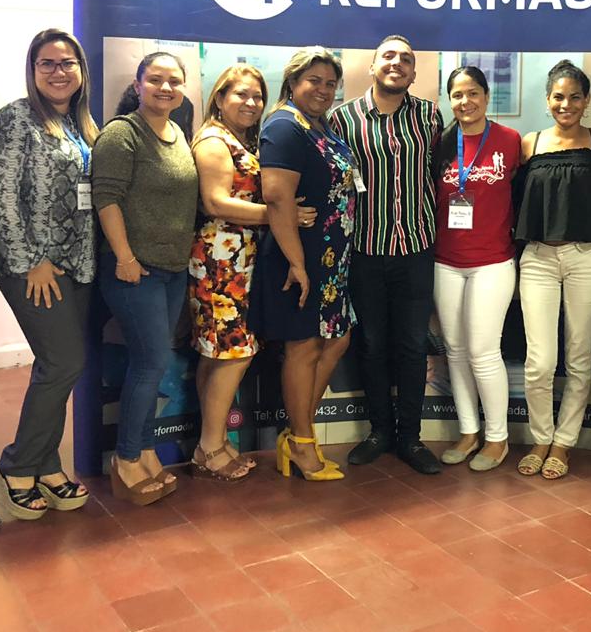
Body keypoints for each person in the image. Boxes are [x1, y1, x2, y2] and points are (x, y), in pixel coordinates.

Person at [0, 29, 97, 519]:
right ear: (32, 70)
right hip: (34, 268)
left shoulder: (79, 125)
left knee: (61, 366)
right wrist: (30, 260)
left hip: (79, 265)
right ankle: (16, 467)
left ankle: (48, 466)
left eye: (67, 63)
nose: (58, 71)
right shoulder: (15, 119)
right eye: (46, 63)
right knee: (63, 362)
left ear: (81, 71)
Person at [188, 65, 316, 481]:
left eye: (257, 96)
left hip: (239, 261)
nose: (250, 103)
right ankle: (210, 449)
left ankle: (213, 440)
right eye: (240, 94)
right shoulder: (212, 141)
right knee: (234, 353)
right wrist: (283, 214)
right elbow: (216, 202)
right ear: (220, 97)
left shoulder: (239, 139)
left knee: (219, 354)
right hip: (221, 264)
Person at [331, 36, 444, 475]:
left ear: (414, 73)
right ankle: (379, 432)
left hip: (416, 247)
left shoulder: (430, 116)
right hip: (366, 250)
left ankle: (411, 438)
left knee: (413, 346)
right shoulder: (345, 119)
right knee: (374, 345)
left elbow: (437, 175)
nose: (397, 64)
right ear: (372, 67)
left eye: (407, 59)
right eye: (389, 57)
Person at [93, 52, 198, 505]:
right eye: (155, 79)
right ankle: (126, 458)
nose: (165, 87)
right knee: (149, 364)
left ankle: (146, 450)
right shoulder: (122, 134)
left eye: (174, 81)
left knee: (155, 366)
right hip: (135, 271)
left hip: (173, 271)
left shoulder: (177, 133)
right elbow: (107, 198)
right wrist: (124, 257)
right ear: (138, 85)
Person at [249, 48, 356, 481]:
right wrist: (297, 263)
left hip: (332, 256)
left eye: (330, 83)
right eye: (314, 80)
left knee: (336, 340)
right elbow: (277, 198)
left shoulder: (318, 125)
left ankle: (298, 433)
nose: (324, 90)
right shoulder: (282, 125)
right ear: (293, 83)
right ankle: (303, 444)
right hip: (302, 257)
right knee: (304, 346)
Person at [516, 59, 591, 480]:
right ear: (547, 99)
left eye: (575, 97)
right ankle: (541, 435)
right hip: (537, 258)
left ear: (587, 101)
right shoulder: (529, 143)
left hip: (585, 258)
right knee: (539, 361)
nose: (566, 104)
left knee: (579, 356)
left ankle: (564, 442)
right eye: (558, 96)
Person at [432, 66, 521, 471]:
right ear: (449, 100)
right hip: (446, 263)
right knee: (455, 350)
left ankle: (497, 438)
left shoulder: (510, 141)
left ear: (487, 97)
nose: (465, 102)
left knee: (484, 351)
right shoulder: (440, 144)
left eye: (473, 93)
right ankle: (469, 432)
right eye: (456, 95)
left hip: (493, 263)